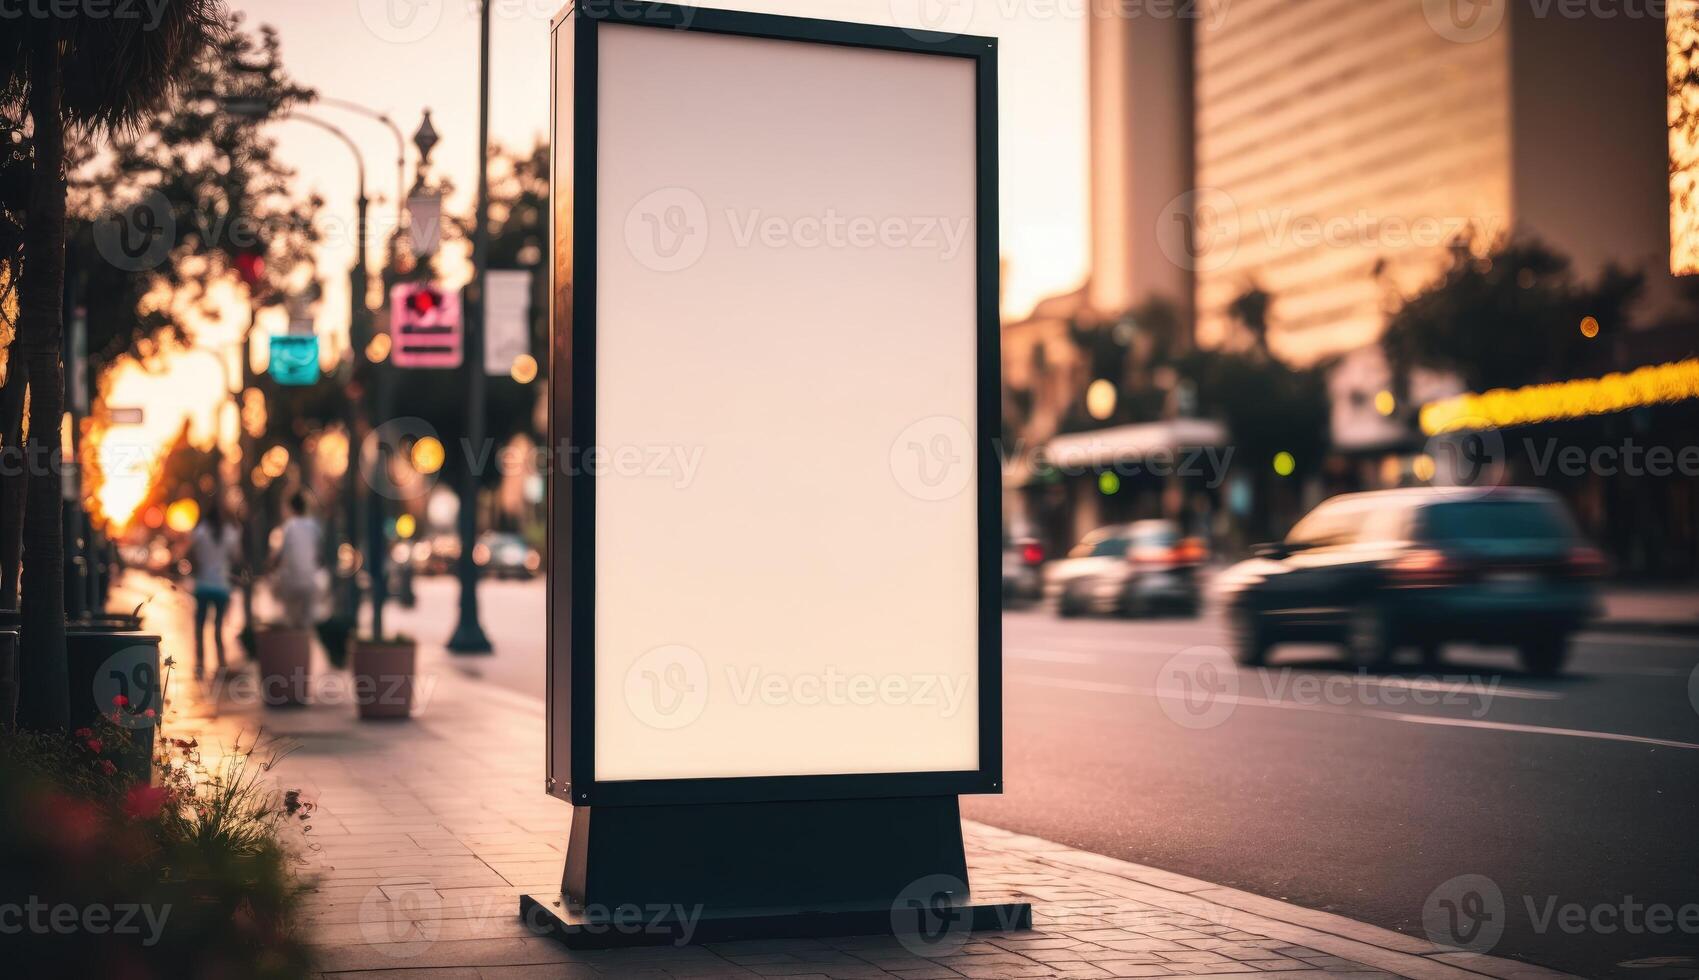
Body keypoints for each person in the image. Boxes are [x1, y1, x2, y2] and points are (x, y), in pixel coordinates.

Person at [187, 501, 241, 679]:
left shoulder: (200, 531)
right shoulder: (229, 533)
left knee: (200, 627)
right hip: (222, 586)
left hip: (203, 585)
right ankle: (221, 664)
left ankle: (200, 664)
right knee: (218, 627)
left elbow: (191, 555)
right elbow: (236, 557)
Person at [272, 492, 324, 629]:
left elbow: (281, 554)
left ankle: (292, 646)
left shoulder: (289, 526)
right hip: (309, 580)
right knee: (306, 623)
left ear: (291, 507)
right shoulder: (314, 526)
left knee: (291, 620)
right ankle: (304, 646)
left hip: (291, 581)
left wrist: (270, 566)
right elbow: (319, 554)